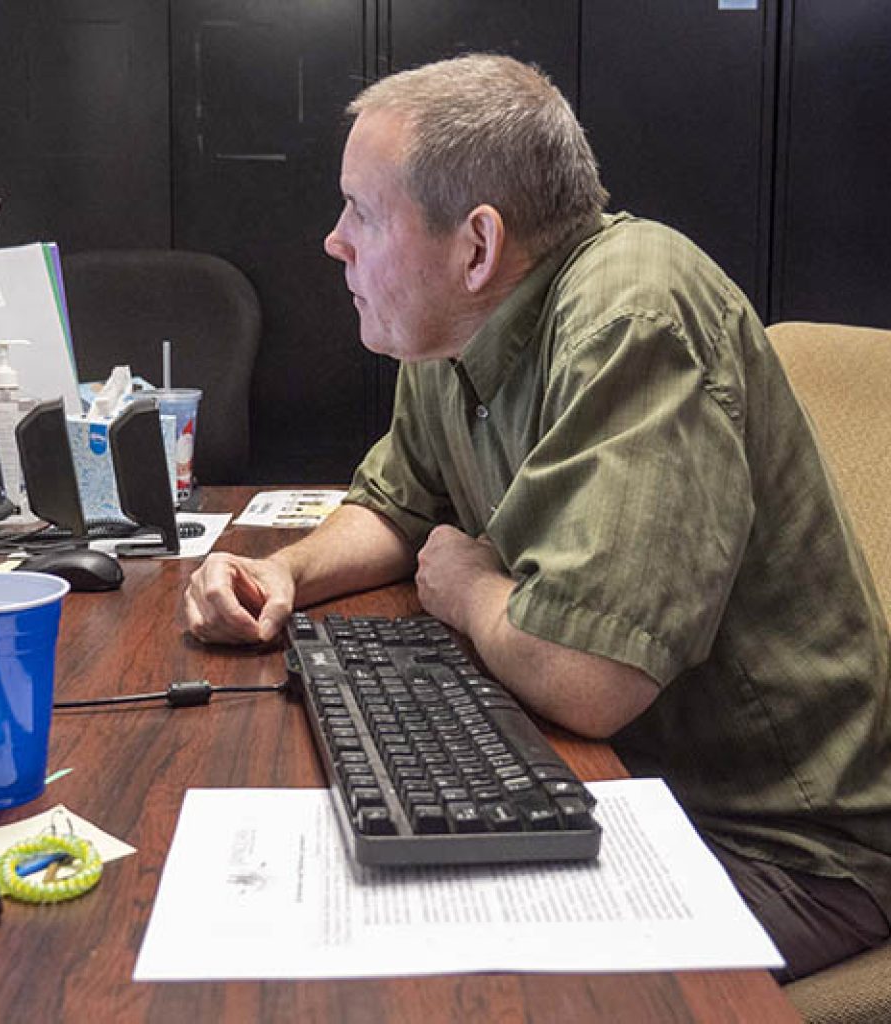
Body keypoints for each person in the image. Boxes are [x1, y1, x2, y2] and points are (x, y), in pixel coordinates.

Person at [185, 53, 891, 981]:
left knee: (422, 978)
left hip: (779, 847)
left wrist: (471, 587)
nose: (334, 241)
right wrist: (287, 573)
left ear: (476, 245)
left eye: (362, 210)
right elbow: (401, 506)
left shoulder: (633, 314)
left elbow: (592, 678)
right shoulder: (448, 327)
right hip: (621, 781)